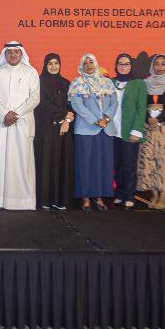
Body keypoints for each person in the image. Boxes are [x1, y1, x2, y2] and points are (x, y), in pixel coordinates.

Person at [0, 41, 40, 210]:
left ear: (21, 54)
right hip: (2, 122)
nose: (12, 55)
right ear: (5, 54)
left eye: (16, 52)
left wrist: (15, 114)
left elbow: (35, 98)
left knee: (22, 161)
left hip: (22, 123)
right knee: (0, 160)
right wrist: (5, 114)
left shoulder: (30, 72)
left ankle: (23, 201)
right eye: (9, 52)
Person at [68, 53, 117, 211]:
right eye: (85, 63)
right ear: (81, 66)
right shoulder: (78, 82)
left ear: (96, 64)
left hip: (106, 129)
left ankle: (100, 197)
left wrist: (106, 119)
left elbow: (114, 103)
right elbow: (77, 104)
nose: (89, 65)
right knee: (85, 164)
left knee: (103, 164)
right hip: (86, 129)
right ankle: (86, 199)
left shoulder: (107, 82)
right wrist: (96, 120)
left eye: (91, 62)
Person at [137, 54, 165, 210]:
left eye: (163, 64)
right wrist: (147, 118)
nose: (160, 67)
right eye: (157, 64)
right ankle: (154, 195)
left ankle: (164, 197)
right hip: (150, 128)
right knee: (151, 162)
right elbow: (141, 104)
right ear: (152, 66)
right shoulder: (145, 83)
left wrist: (159, 118)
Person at [34, 53, 74, 210]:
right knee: (46, 163)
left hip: (64, 130)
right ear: (45, 65)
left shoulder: (66, 83)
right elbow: (42, 105)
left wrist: (67, 120)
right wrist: (63, 115)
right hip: (46, 130)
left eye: (56, 63)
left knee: (62, 163)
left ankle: (60, 200)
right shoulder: (39, 82)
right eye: (50, 63)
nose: (53, 66)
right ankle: (45, 200)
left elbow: (72, 106)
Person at [107, 53, 147, 210]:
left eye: (127, 64)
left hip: (129, 130)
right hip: (112, 131)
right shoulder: (110, 82)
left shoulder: (138, 84)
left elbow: (141, 109)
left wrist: (136, 130)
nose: (123, 66)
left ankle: (130, 195)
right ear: (116, 66)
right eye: (120, 64)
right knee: (117, 165)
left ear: (131, 66)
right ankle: (120, 193)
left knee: (129, 165)